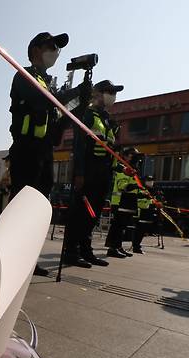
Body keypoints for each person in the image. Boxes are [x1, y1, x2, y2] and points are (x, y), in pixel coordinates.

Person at [8, 31, 89, 276]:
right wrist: (73, 93)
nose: (55, 51)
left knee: (38, 208)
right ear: (35, 50)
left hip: (44, 151)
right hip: (26, 150)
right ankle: (10, 256)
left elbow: (60, 118)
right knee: (22, 206)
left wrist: (82, 100)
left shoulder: (49, 84)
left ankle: (29, 259)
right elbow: (44, 100)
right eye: (51, 46)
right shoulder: (25, 76)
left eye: (57, 47)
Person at [62, 80, 126, 268]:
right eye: (109, 91)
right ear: (97, 93)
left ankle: (85, 250)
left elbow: (110, 149)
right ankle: (71, 252)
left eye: (114, 92)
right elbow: (79, 146)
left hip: (104, 173)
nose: (112, 95)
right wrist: (79, 173)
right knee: (80, 214)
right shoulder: (88, 114)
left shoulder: (108, 119)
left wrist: (118, 167)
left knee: (92, 215)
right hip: (88, 171)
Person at [105, 147, 140, 258]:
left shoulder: (133, 169)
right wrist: (136, 185)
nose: (134, 157)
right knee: (118, 226)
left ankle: (118, 247)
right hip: (121, 202)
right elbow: (122, 186)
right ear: (125, 156)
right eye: (132, 154)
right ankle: (112, 248)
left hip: (129, 202)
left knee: (123, 227)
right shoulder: (124, 168)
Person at [132, 176, 159, 254]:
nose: (150, 182)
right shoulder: (142, 189)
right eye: (148, 181)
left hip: (148, 214)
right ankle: (136, 247)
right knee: (139, 231)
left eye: (152, 181)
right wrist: (150, 201)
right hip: (141, 214)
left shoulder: (153, 190)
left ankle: (137, 246)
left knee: (142, 231)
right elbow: (140, 202)